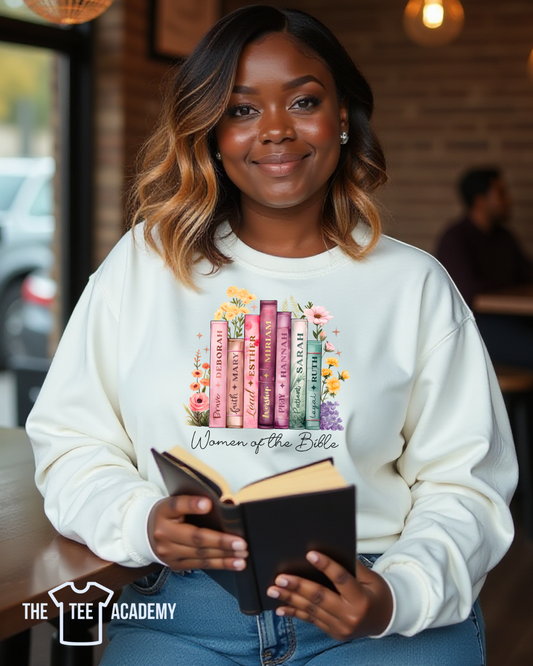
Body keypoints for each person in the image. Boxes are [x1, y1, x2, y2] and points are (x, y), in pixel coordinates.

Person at [27, 6, 517, 665]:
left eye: (304, 100)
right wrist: (139, 520)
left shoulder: (413, 285)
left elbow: (466, 484)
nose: (276, 131)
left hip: (372, 605)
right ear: (210, 131)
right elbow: (71, 441)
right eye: (241, 109)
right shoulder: (144, 265)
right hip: (182, 610)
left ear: (341, 117)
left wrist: (393, 594)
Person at [437, 168, 533, 367]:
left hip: (512, 319)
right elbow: (470, 293)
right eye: (501, 193)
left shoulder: (504, 236)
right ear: (481, 200)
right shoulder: (455, 239)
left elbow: (526, 273)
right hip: (474, 327)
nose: (509, 200)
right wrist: (509, 286)